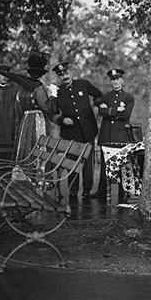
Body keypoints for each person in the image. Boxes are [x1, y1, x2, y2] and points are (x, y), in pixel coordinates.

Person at [48, 62, 102, 199]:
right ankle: (73, 190)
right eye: (61, 75)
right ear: (59, 77)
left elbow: (98, 94)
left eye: (66, 73)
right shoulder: (58, 92)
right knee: (72, 163)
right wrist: (62, 120)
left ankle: (87, 190)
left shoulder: (83, 84)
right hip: (71, 132)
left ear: (70, 72)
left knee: (88, 164)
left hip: (88, 129)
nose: (64, 76)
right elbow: (52, 112)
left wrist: (97, 106)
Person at [91, 68, 135, 202]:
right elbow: (100, 112)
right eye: (113, 80)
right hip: (106, 135)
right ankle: (101, 190)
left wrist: (108, 111)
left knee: (122, 163)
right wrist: (116, 110)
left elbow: (126, 115)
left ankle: (124, 192)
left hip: (120, 135)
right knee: (105, 164)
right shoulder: (105, 97)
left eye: (118, 79)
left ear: (122, 80)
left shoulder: (128, 97)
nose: (115, 82)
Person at [13, 52, 56, 162]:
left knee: (25, 144)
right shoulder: (39, 87)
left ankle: (25, 170)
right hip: (38, 120)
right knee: (38, 142)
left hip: (25, 121)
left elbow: (18, 107)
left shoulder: (22, 89)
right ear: (41, 74)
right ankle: (38, 170)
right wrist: (52, 96)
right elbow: (46, 107)